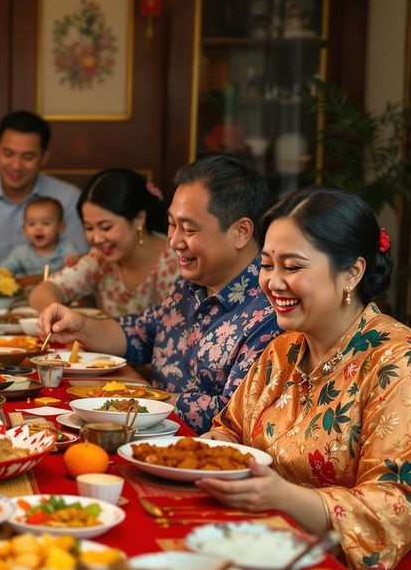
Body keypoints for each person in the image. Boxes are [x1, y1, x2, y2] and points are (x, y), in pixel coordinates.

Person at [197, 186, 411, 570]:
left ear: (351, 273)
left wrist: (281, 496)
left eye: (292, 266)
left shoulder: (403, 366)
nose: (273, 282)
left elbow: (392, 511)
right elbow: (231, 430)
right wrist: (214, 451)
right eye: (267, 265)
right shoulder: (285, 350)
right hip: (295, 547)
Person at [37, 154, 281, 433]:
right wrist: (79, 325)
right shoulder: (189, 287)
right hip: (147, 434)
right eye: (171, 224)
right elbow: (139, 333)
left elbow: (233, 414)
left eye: (188, 229)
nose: (175, 241)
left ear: (241, 232)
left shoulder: (269, 311)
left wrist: (142, 397)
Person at [0, 111, 87, 270]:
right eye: (8, 154)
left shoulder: (69, 198)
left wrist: (24, 284)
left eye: (27, 157)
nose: (16, 166)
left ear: (44, 157)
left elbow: (81, 263)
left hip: (53, 290)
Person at [28, 168, 180, 316]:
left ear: (138, 219)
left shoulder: (174, 263)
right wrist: (58, 313)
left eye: (106, 227)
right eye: (88, 228)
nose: (97, 238)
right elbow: (42, 291)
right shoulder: (99, 259)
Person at [0, 196, 80, 284]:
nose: (38, 228)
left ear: (60, 227)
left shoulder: (66, 247)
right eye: (32, 224)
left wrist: (73, 260)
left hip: (58, 292)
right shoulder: (21, 252)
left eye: (46, 223)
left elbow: (76, 267)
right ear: (24, 229)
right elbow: (3, 270)